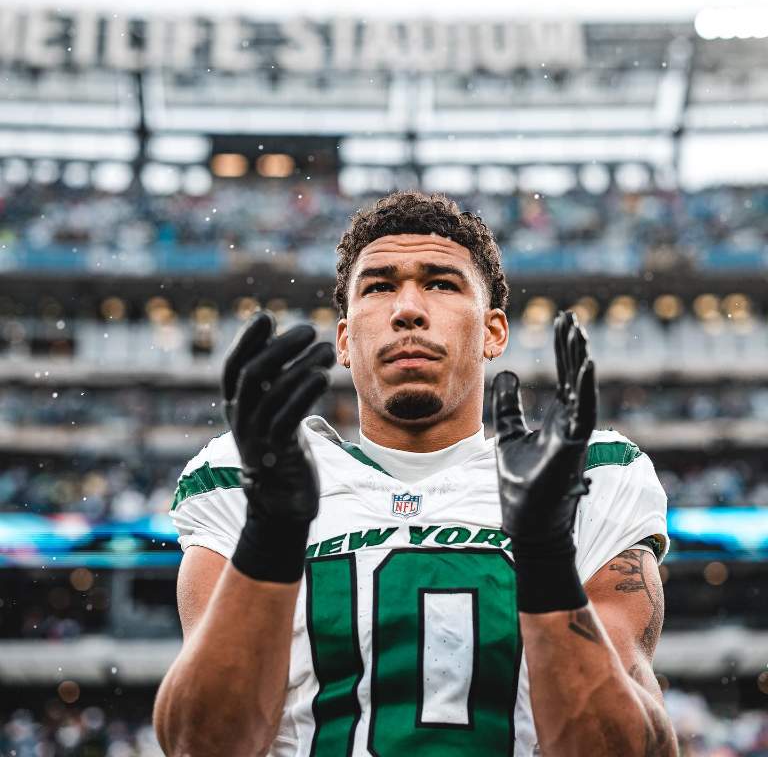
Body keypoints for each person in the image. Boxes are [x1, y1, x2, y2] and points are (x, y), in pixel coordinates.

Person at [153, 190, 677, 756]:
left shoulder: (589, 477)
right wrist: (271, 536)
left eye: (441, 283)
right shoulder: (246, 475)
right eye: (378, 286)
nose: (407, 308)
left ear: (494, 332)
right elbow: (200, 744)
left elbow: (631, 749)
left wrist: (546, 553)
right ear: (346, 339)